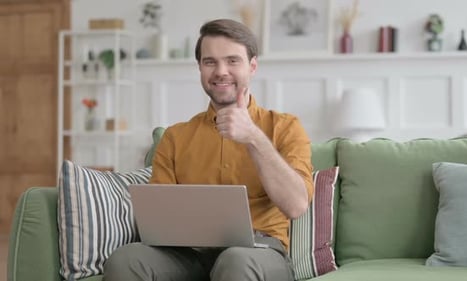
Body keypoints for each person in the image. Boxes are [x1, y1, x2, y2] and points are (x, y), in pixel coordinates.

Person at [104, 18, 314, 281]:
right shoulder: (175, 137)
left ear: (252, 66)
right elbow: (157, 222)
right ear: (200, 68)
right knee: (126, 260)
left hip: (258, 252)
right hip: (188, 255)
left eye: (232, 60)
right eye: (210, 62)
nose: (221, 71)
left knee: (235, 261)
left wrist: (253, 138)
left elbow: (296, 205)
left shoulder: (285, 127)